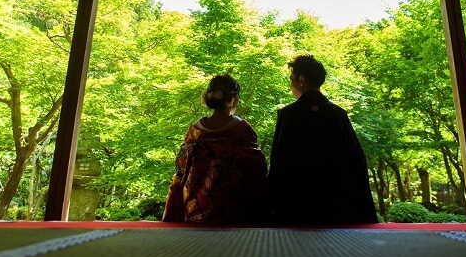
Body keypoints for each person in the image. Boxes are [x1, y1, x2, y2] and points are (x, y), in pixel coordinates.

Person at [268, 54, 378, 224]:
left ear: (301, 80)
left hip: (297, 210)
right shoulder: (338, 114)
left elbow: (279, 163)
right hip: (338, 210)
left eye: (292, 80)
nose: (291, 86)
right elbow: (357, 161)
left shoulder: (288, 114)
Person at [162, 74, 269, 223]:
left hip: (195, 210)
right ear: (233, 98)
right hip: (233, 212)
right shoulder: (242, 129)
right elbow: (257, 169)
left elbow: (181, 170)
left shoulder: (195, 131)